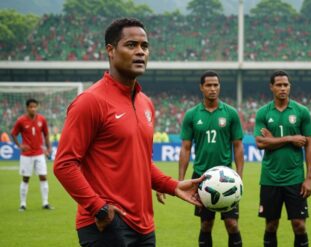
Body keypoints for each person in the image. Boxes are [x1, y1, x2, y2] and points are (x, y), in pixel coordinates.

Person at [53, 18, 203, 247]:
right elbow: (64, 164)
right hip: (105, 224)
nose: (140, 52)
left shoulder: (146, 103)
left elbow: (141, 163)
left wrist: (172, 186)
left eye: (144, 46)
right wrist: (99, 208)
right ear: (110, 51)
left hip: (144, 225)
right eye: (131, 45)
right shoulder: (90, 101)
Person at [158, 70, 244, 247]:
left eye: (216, 85)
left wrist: (239, 177)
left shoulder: (230, 113)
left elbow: (238, 146)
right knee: (206, 224)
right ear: (201, 88)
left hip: (226, 178)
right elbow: (186, 148)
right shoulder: (192, 115)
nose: (213, 89)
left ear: (219, 87)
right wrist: (180, 179)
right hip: (202, 178)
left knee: (232, 224)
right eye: (209, 85)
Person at [254, 70, 311, 247]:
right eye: (279, 85)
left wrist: (309, 178)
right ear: (271, 87)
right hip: (270, 178)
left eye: (286, 85)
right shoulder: (263, 112)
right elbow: (259, 142)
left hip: (295, 178)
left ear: (290, 87)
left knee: (299, 226)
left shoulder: (301, 111)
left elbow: (309, 144)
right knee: (271, 225)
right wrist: (290, 138)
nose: (283, 88)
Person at [11, 98, 52, 211]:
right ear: (27, 108)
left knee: (43, 176)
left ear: (37, 107)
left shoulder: (42, 119)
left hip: (39, 153)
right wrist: (20, 146)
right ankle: (23, 204)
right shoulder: (21, 120)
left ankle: (45, 203)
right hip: (27, 155)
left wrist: (48, 148)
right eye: (31, 107)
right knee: (25, 178)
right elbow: (13, 134)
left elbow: (46, 134)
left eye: (35, 106)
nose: (33, 108)